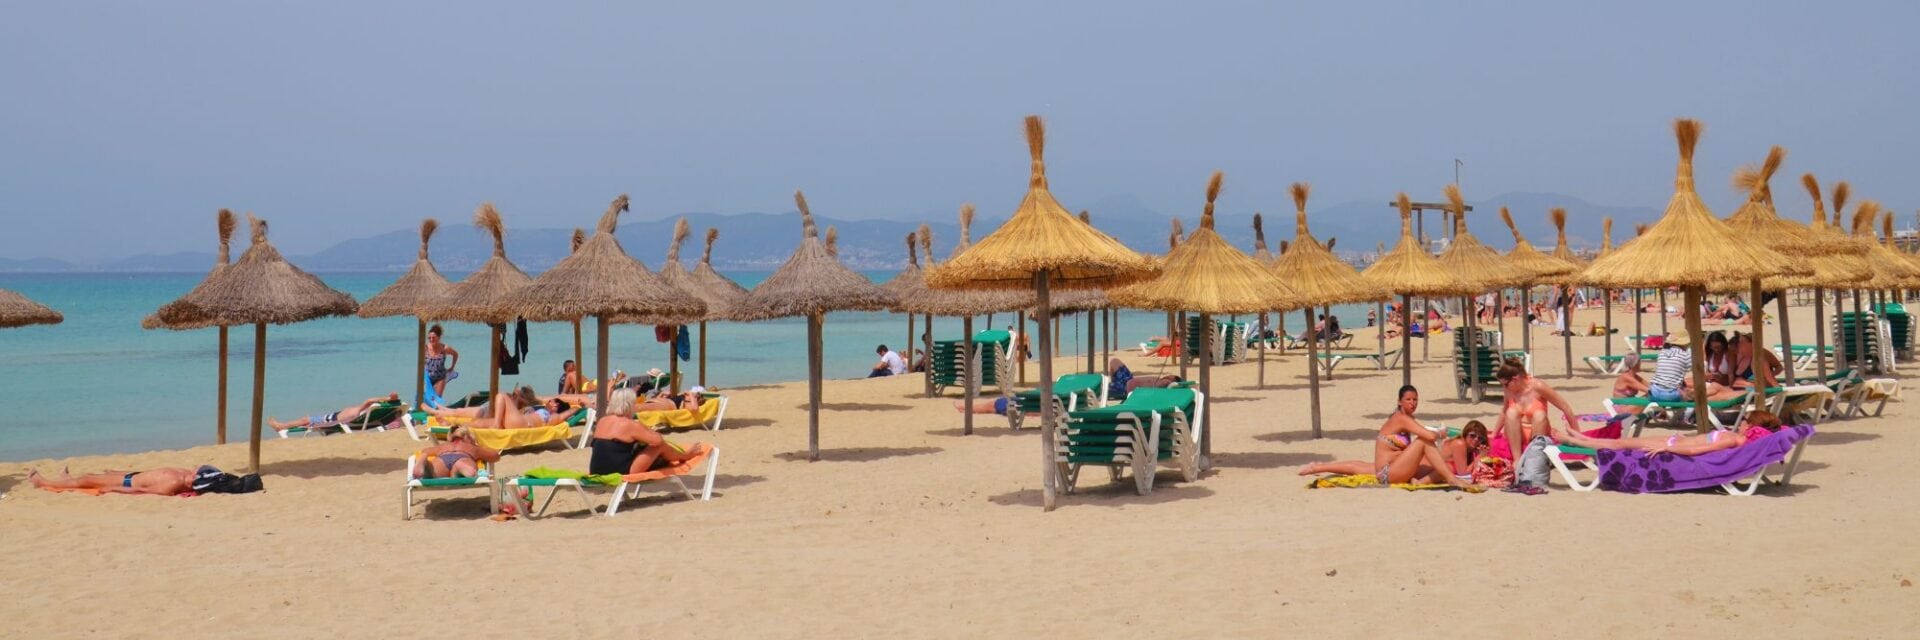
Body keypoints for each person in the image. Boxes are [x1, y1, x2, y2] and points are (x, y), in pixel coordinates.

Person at [1298, 385, 1478, 489]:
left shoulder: (1408, 419)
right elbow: (1428, 436)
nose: (1413, 403)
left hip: (1390, 468)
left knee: (1441, 465)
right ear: (1399, 401)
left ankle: (1419, 482)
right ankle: (1452, 480)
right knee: (1424, 443)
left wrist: (1319, 467)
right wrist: (1441, 432)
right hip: (1387, 473)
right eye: (1408, 400)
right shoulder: (1400, 419)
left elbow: (1354, 466)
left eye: (1415, 400)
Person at [1557, 410, 1785, 455]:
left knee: (1619, 445)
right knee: (1621, 442)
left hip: (1673, 443)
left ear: (1752, 425)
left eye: (1745, 419)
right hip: (1676, 439)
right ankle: (1579, 438)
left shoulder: (1733, 438)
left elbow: (1702, 448)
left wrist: (1668, 447)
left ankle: (1571, 439)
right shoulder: (1739, 439)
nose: (1742, 421)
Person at [588, 389, 705, 475]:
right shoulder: (630, 424)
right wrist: (646, 429)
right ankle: (685, 455)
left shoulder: (602, 421)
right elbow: (658, 440)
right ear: (630, 405)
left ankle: (682, 455)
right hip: (620, 471)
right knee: (659, 446)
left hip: (596, 469)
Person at [1492, 359, 1580, 462]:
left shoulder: (1538, 386)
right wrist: (1495, 433)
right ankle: (1517, 459)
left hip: (1538, 431)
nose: (1504, 387)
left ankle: (1533, 457)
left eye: (1506, 384)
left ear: (1515, 379)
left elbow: (1565, 407)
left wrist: (1576, 434)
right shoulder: (1509, 390)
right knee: (1511, 412)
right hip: (1515, 434)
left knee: (1539, 414)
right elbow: (1504, 411)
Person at [269, 392, 401, 433]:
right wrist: (390, 400)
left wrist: (388, 398)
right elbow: (371, 402)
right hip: (333, 417)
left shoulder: (360, 411)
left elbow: (369, 400)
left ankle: (280, 426)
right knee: (306, 419)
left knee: (305, 420)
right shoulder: (364, 413)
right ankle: (281, 426)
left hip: (332, 421)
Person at [28, 467, 196, 496]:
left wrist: (114, 489)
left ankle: (42, 482)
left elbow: (143, 491)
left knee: (87, 480)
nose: (194, 470)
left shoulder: (173, 484)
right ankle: (68, 480)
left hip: (127, 482)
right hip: (131, 476)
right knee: (90, 477)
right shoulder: (183, 475)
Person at [412, 426, 501, 479]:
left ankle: (425, 463)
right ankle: (461, 469)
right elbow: (495, 456)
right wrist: (479, 447)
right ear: (468, 437)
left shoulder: (444, 446)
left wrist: (424, 455)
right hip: (462, 457)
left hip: (442, 459)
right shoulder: (472, 448)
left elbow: (425, 451)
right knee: (463, 465)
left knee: (432, 470)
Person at [424, 324, 460, 398]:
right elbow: (421, 361)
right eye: (429, 338)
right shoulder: (425, 348)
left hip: (440, 377)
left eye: (433, 338)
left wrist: (452, 367)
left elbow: (455, 354)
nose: (431, 340)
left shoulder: (444, 348)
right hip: (428, 377)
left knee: (437, 398)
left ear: (439, 337)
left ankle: (438, 408)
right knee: (428, 398)